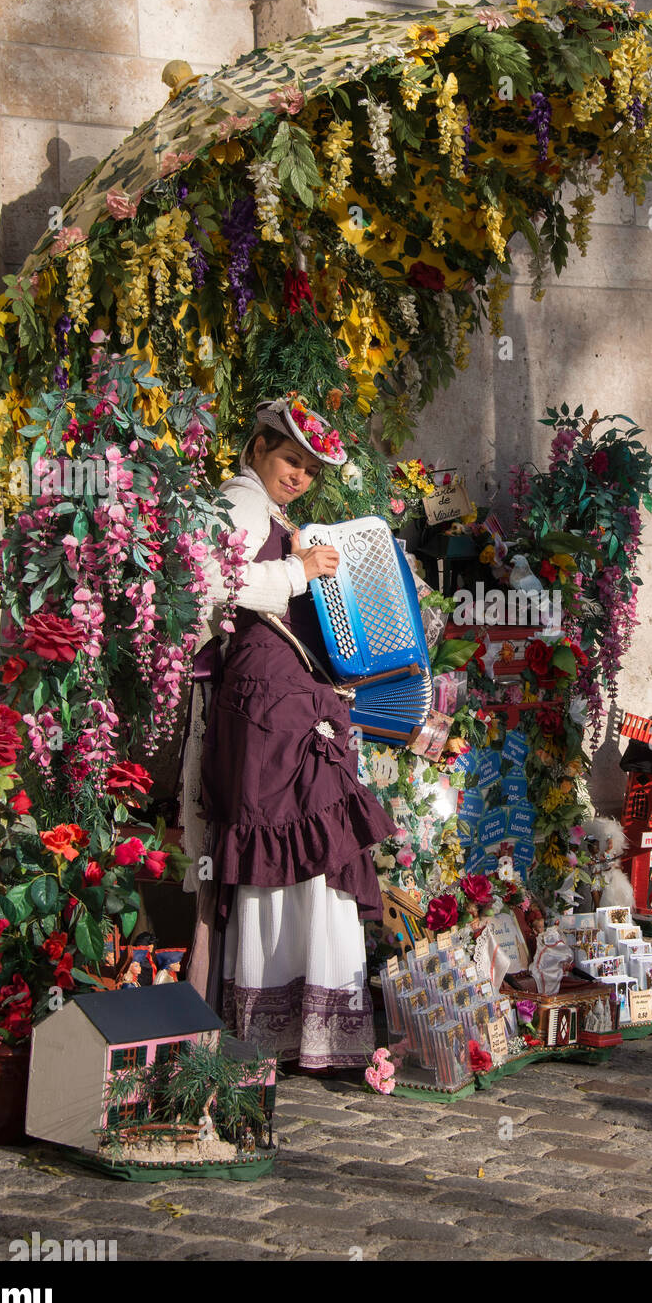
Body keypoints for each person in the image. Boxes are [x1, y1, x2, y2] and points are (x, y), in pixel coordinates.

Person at [182, 396, 396, 1074]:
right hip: (268, 710)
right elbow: (211, 579)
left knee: (311, 851)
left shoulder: (272, 513)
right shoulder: (241, 502)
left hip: (284, 703)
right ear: (259, 449)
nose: (299, 476)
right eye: (289, 459)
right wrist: (299, 573)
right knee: (293, 847)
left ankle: (300, 1023)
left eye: (309, 468)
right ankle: (290, 1025)